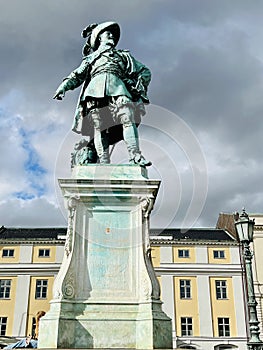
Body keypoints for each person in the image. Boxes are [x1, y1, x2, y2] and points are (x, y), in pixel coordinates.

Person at [53, 21, 152, 167]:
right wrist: (63, 87)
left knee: (128, 119)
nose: (111, 35)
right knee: (99, 127)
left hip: (119, 88)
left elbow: (145, 71)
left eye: (112, 33)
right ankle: (103, 162)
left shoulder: (124, 56)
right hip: (94, 91)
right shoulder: (91, 58)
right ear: (99, 38)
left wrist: (138, 86)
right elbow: (77, 75)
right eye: (108, 33)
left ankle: (136, 156)